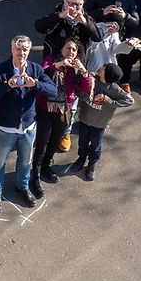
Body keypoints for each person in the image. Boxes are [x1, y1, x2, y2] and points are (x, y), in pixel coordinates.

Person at [0, 35, 57, 214]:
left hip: (28, 127)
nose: (21, 52)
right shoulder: (1, 69)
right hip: (5, 127)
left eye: (25, 49)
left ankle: (22, 187)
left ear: (29, 51)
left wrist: (36, 84)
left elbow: (53, 90)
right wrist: (7, 85)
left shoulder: (35, 69)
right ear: (12, 49)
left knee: (25, 161)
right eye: (18, 48)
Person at [29, 38, 92, 198]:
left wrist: (83, 71)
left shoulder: (76, 67)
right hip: (45, 108)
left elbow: (86, 88)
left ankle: (45, 166)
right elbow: (43, 74)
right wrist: (60, 65)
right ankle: (34, 174)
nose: (70, 52)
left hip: (65, 109)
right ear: (61, 49)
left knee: (56, 140)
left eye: (74, 50)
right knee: (42, 142)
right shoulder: (51, 60)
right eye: (68, 48)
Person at [70, 64, 135, 180]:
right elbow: (78, 88)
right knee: (82, 142)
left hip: (99, 125)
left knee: (95, 146)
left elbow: (130, 100)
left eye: (104, 68)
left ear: (109, 75)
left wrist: (108, 100)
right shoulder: (92, 79)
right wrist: (86, 96)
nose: (100, 67)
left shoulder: (114, 89)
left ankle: (91, 165)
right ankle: (81, 159)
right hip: (84, 120)